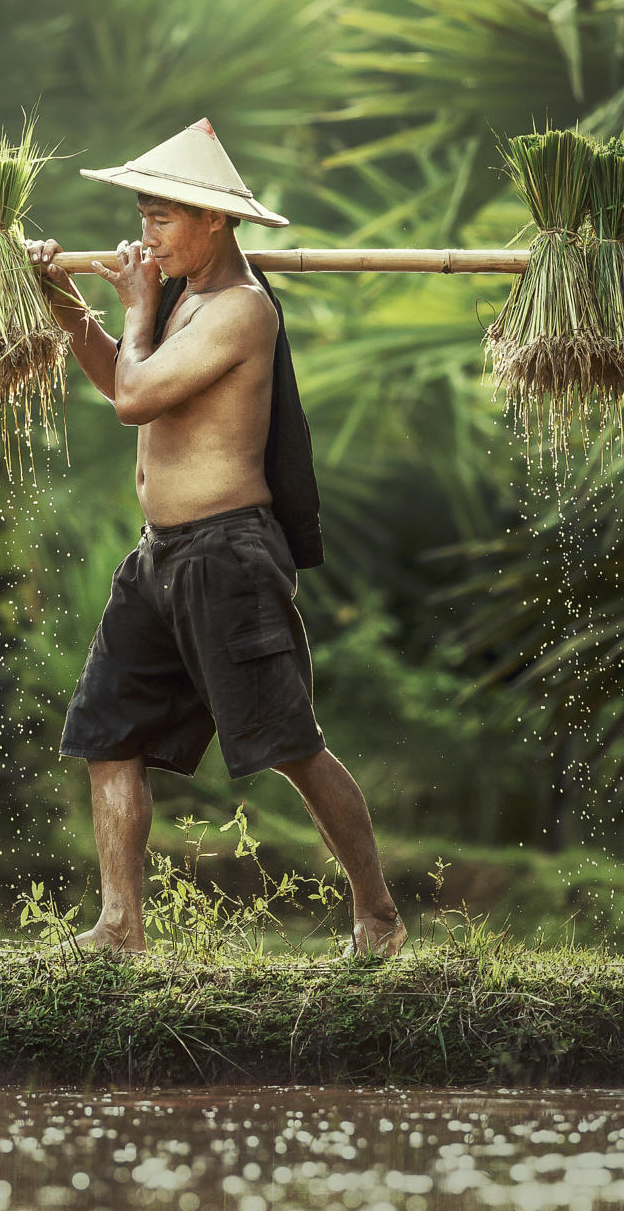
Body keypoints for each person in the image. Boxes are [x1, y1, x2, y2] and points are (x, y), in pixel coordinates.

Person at [24, 118, 405, 957]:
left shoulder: (242, 312)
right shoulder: (176, 297)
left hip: (228, 558)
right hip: (157, 556)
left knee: (290, 744)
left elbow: (135, 396)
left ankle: (377, 913)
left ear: (216, 221)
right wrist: (60, 297)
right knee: (104, 734)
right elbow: (113, 375)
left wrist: (131, 307)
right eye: (143, 214)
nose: (145, 233)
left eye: (162, 217)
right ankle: (122, 926)